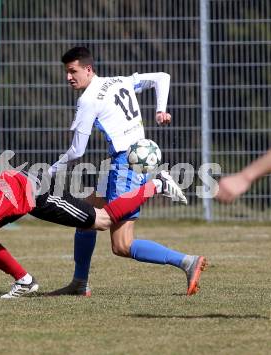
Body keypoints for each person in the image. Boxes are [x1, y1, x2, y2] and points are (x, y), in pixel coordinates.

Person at [0, 168, 197, 302]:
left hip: (38, 193)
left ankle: (155, 185)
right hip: (14, 195)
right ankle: (25, 281)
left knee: (101, 221)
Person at [48, 47, 206, 297]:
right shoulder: (118, 81)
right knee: (83, 218)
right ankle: (79, 283)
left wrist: (49, 173)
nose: (68, 77)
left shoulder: (88, 100)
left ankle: (187, 261)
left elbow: (77, 152)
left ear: (88, 69)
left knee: (121, 245)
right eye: (66, 72)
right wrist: (160, 109)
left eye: (72, 71)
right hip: (127, 160)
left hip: (125, 165)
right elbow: (162, 77)